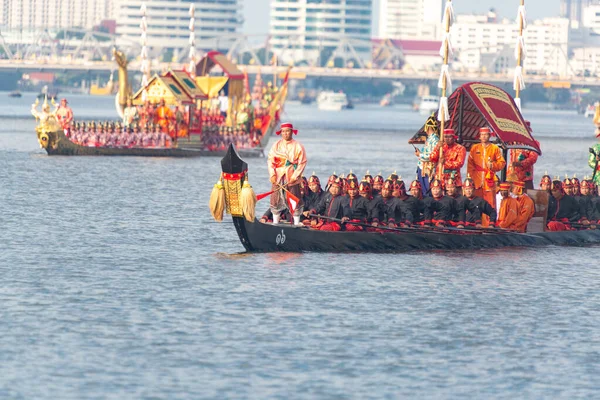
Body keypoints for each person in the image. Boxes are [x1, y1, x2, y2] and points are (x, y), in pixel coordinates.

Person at [268, 122, 307, 225]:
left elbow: (302, 162)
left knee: (294, 198)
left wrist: (295, 176)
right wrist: (272, 175)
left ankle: (296, 222)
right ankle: (275, 222)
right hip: (278, 176)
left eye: (287, 131)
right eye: (283, 131)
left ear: (292, 132)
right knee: (275, 198)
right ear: (281, 132)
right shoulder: (276, 145)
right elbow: (270, 161)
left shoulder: (298, 146)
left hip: (292, 176)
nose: (285, 133)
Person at [467, 127, 506, 225]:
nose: (484, 137)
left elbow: (502, 163)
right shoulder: (474, 148)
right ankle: (473, 223)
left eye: (486, 134)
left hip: (489, 180)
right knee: (474, 203)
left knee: (490, 204)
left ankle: (490, 224)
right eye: (482, 135)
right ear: (479, 136)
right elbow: (470, 165)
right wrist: (471, 178)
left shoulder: (495, 148)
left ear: (489, 136)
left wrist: (493, 166)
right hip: (477, 180)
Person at [507, 122, 539, 190]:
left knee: (526, 195)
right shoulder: (513, 141)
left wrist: (521, 163)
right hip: (512, 174)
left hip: (526, 176)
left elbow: (533, 158)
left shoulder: (533, 143)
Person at [414, 114, 440, 196]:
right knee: (422, 189)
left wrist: (420, 155)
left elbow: (432, 156)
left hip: (428, 168)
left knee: (427, 190)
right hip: (422, 167)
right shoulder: (429, 139)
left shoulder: (435, 139)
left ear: (428, 127)